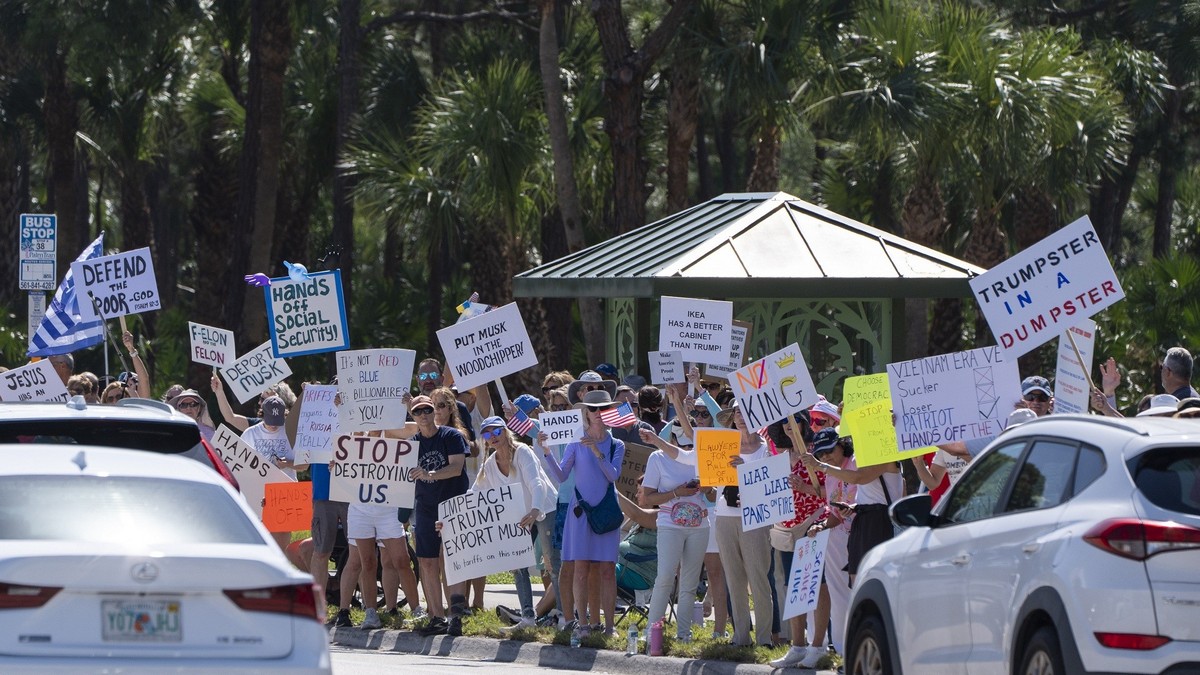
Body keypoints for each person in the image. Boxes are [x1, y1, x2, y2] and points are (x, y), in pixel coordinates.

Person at [540, 389, 626, 640]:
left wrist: (597, 452)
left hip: (606, 513)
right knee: (580, 569)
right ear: (586, 413)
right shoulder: (575, 442)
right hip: (580, 514)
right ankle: (584, 625)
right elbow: (561, 475)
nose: (599, 414)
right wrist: (546, 451)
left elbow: (613, 475)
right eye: (594, 409)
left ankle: (609, 628)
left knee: (608, 570)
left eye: (604, 409)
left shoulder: (616, 444)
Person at [473, 416, 557, 630]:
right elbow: (474, 494)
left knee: (552, 565)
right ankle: (528, 618)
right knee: (517, 565)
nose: (493, 437)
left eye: (497, 431)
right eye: (487, 434)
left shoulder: (523, 452)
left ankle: (565, 617)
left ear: (506, 431)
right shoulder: (490, 465)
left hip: (545, 509)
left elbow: (537, 483)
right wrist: (449, 519)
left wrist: (535, 509)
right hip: (520, 517)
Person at [635, 426, 711, 642]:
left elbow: (712, 493)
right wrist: (677, 492)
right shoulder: (657, 458)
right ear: (672, 440)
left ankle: (683, 635)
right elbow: (647, 498)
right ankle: (652, 632)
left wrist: (706, 486)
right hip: (670, 523)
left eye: (691, 444)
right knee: (665, 577)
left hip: (700, 524)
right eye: (683, 443)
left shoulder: (702, 455)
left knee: (689, 583)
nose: (688, 449)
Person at [801, 427, 903, 587]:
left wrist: (820, 466)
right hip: (863, 519)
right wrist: (850, 508)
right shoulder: (861, 458)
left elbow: (859, 478)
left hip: (880, 521)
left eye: (829, 450)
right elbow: (868, 496)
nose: (825, 456)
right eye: (821, 454)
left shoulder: (885, 454)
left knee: (876, 581)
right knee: (858, 583)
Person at [408, 395, 471, 637]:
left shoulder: (451, 436)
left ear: (434, 411)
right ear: (412, 416)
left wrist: (429, 474)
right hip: (425, 507)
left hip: (452, 504)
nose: (423, 414)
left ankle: (456, 615)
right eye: (417, 411)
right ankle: (436, 616)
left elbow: (456, 468)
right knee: (427, 561)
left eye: (427, 409)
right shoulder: (411, 444)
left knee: (453, 559)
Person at [714, 401, 775, 646]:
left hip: (756, 519)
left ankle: (763, 638)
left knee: (758, 577)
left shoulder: (767, 449)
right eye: (736, 413)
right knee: (734, 578)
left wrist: (745, 468)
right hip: (725, 517)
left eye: (745, 412)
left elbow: (770, 481)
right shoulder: (722, 445)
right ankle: (741, 636)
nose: (740, 417)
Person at [416, 358, 475, 441]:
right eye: (423, 376)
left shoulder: (458, 407)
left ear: (442, 378)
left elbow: (475, 449)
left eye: (433, 375)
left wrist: (458, 438)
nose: (428, 380)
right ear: (417, 380)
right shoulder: (410, 409)